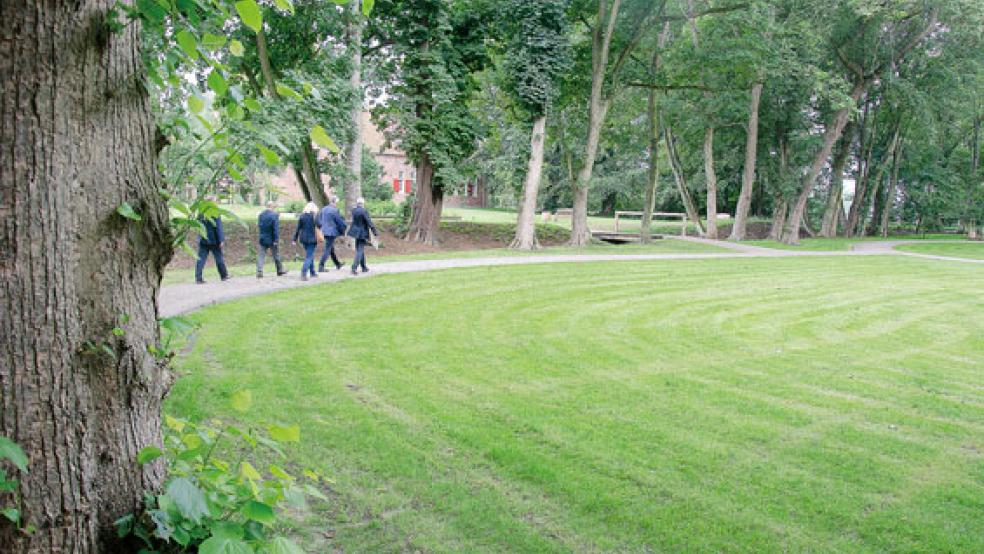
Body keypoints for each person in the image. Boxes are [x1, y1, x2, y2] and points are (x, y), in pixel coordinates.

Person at [347, 197, 378, 275]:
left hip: (355, 232)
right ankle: (354, 267)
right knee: (360, 250)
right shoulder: (364, 211)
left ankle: (364, 267)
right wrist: (375, 231)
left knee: (359, 249)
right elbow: (369, 222)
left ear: (357, 203)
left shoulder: (354, 210)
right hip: (362, 232)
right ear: (363, 203)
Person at [256, 201, 287, 278]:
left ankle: (259, 271)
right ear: (272, 206)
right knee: (276, 254)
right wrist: (276, 240)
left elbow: (259, 226)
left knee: (261, 255)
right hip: (272, 238)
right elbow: (275, 229)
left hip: (263, 238)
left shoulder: (261, 215)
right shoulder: (274, 215)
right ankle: (280, 270)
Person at [195, 212, 228, 284]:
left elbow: (197, 224)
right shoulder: (215, 212)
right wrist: (221, 240)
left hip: (203, 239)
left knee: (201, 259)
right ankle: (224, 275)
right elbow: (218, 227)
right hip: (214, 240)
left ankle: (198, 278)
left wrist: (199, 237)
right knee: (219, 258)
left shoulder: (201, 212)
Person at [317, 196, 347, 272]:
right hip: (331, 232)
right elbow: (339, 221)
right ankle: (321, 266)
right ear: (334, 202)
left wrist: (322, 227)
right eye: (336, 202)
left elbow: (318, 220)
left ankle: (337, 264)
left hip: (324, 231)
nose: (337, 204)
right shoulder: (334, 210)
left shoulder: (323, 209)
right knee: (328, 249)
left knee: (330, 248)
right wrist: (344, 228)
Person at [292, 202, 320, 281]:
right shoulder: (314, 216)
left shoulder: (302, 216)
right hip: (312, 239)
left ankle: (312, 272)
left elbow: (298, 229)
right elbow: (320, 225)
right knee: (309, 256)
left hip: (303, 239)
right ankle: (303, 273)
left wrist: (294, 239)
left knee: (310, 255)